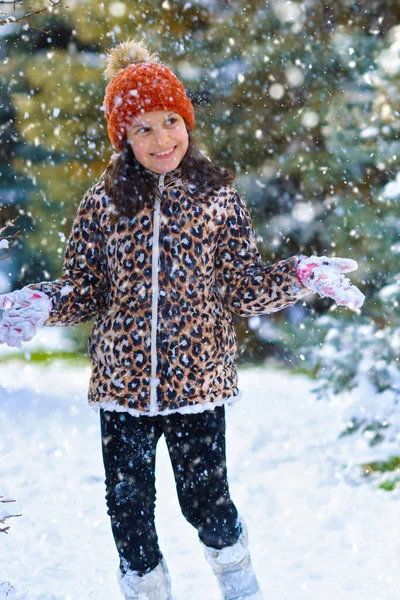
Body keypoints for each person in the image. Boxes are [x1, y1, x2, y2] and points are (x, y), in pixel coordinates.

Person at [0, 38, 365, 600]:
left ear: (186, 121)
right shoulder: (104, 201)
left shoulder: (217, 197)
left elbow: (244, 286)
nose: (161, 138)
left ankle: (240, 586)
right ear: (123, 137)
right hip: (122, 387)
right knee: (127, 510)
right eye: (142, 128)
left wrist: (298, 275)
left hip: (198, 381)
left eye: (170, 120)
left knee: (206, 503)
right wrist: (45, 301)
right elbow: (86, 286)